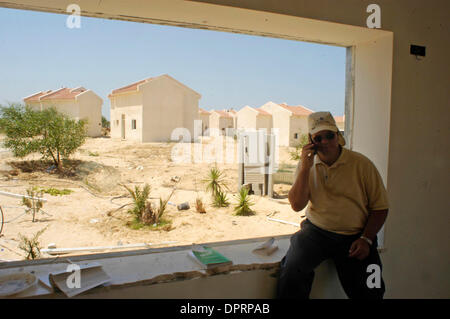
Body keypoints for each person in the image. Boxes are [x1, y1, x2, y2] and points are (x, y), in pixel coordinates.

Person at [277, 111, 389, 299]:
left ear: (338, 136)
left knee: (373, 285)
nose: (325, 142)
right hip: (317, 232)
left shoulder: (361, 164)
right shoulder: (306, 165)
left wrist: (367, 239)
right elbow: (296, 205)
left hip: (356, 236)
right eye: (318, 138)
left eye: (330, 135)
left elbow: (380, 207)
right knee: (291, 271)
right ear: (311, 140)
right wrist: (306, 167)